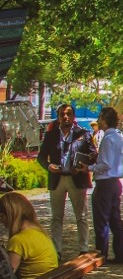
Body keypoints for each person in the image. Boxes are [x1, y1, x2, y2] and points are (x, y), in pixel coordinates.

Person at [36, 103, 93, 260]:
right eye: (62, 114)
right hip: (57, 179)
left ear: (73, 116)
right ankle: (56, 250)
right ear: (58, 117)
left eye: (68, 114)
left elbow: (93, 154)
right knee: (56, 217)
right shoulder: (51, 135)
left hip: (77, 178)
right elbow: (41, 157)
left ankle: (84, 248)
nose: (65, 117)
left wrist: (82, 166)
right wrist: (48, 166)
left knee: (81, 216)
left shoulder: (84, 134)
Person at [89, 106, 123, 265]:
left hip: (105, 182)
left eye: (100, 118)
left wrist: (88, 167)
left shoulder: (107, 139)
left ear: (104, 120)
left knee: (101, 220)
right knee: (115, 219)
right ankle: (120, 254)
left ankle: (101, 254)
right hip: (115, 182)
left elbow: (105, 164)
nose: (98, 121)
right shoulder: (119, 136)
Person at [2, 192, 59, 279]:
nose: (1, 221)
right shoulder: (39, 232)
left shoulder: (18, 240)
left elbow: (6, 277)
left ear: (10, 215)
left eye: (1, 216)